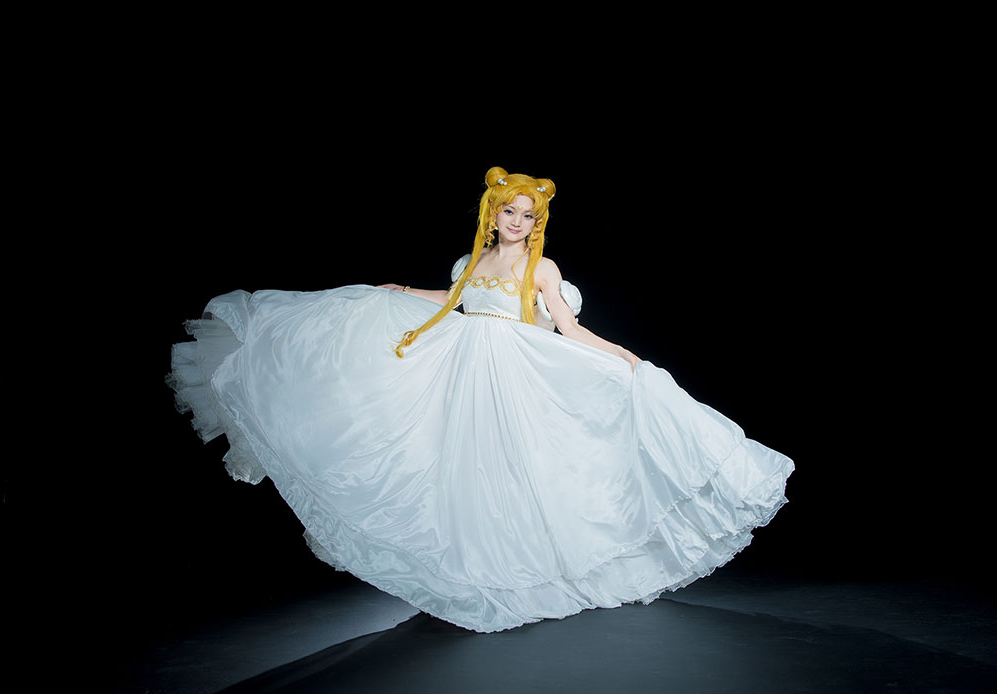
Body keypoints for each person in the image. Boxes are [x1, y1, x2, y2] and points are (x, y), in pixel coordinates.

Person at [168, 166, 794, 633]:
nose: (516, 222)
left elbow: (567, 327)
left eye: (527, 215)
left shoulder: (542, 269)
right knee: (469, 466)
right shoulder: (474, 258)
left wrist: (625, 357)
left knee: (527, 464)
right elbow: (453, 302)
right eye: (509, 212)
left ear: (536, 222)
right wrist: (398, 291)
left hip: (517, 369)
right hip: (467, 367)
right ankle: (480, 570)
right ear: (493, 214)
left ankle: (543, 565)